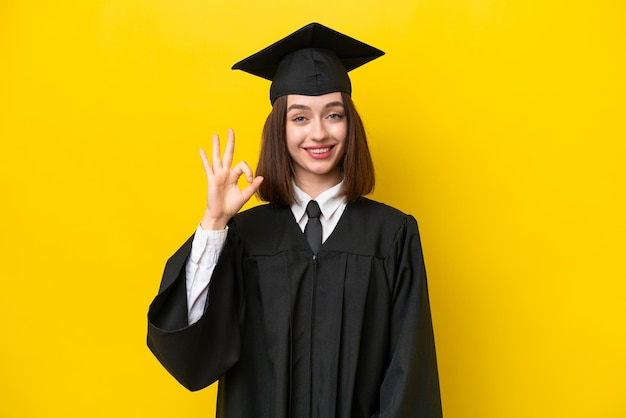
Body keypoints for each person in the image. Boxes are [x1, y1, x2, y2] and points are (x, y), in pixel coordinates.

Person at [147, 22, 442, 418]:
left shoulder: (391, 236)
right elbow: (191, 349)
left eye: (333, 115)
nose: (318, 133)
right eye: (300, 118)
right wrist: (213, 223)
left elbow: (410, 372)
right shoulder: (243, 238)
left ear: (350, 125)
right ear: (279, 129)